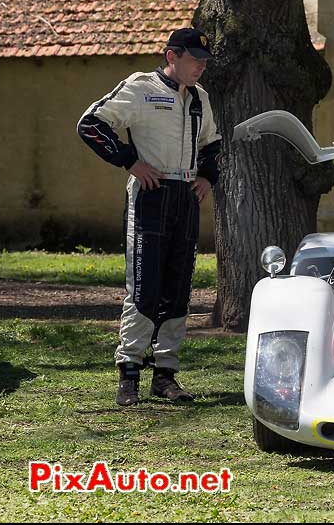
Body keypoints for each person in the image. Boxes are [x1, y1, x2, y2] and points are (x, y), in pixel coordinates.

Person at [77, 28, 222, 406]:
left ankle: (166, 376)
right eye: (194, 60)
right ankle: (128, 374)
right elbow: (91, 124)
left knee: (178, 288)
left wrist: (207, 176)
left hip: (186, 197)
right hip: (151, 197)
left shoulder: (200, 98)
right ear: (171, 56)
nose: (201, 68)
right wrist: (131, 162)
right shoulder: (140, 88)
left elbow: (213, 142)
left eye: (205, 62)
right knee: (145, 287)